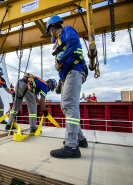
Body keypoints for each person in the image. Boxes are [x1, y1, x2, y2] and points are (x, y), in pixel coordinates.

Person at [46, 15, 88, 158]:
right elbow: (62, 67)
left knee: (70, 105)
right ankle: (80, 139)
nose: (51, 36)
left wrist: (61, 58)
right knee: (65, 106)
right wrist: (60, 83)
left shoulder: (67, 30)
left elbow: (74, 41)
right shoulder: (59, 43)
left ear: (52, 29)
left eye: (50, 33)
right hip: (68, 74)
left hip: (75, 71)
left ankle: (71, 146)